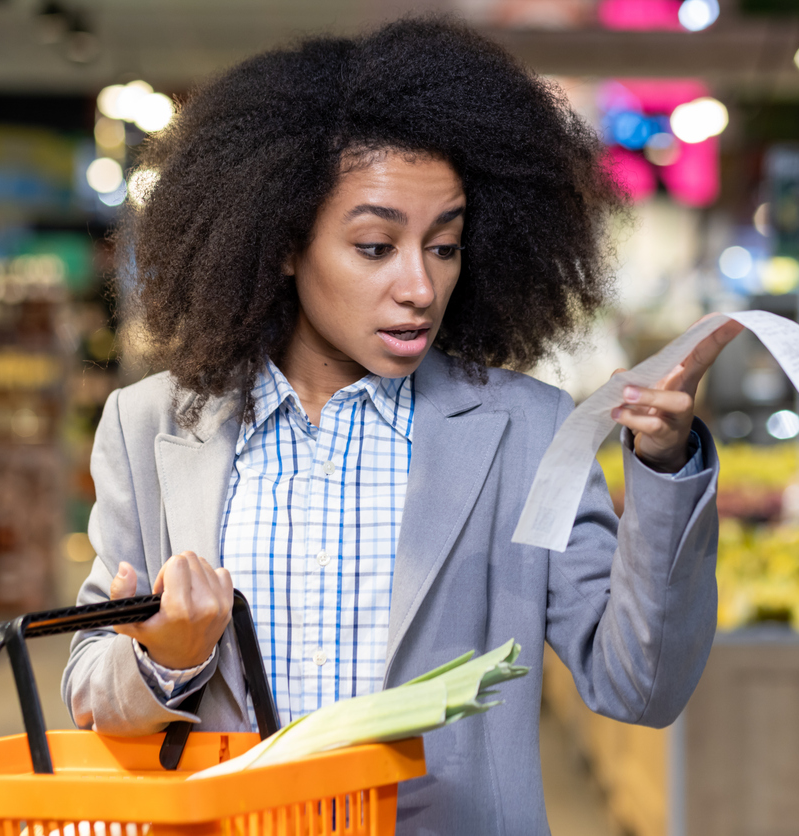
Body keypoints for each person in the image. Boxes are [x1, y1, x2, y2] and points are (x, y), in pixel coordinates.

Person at [62, 17, 741, 835]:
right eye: (377, 246)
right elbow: (89, 689)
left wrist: (664, 467)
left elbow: (640, 683)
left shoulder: (524, 432)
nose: (419, 285)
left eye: (445, 247)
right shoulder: (150, 427)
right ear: (281, 242)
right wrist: (165, 656)